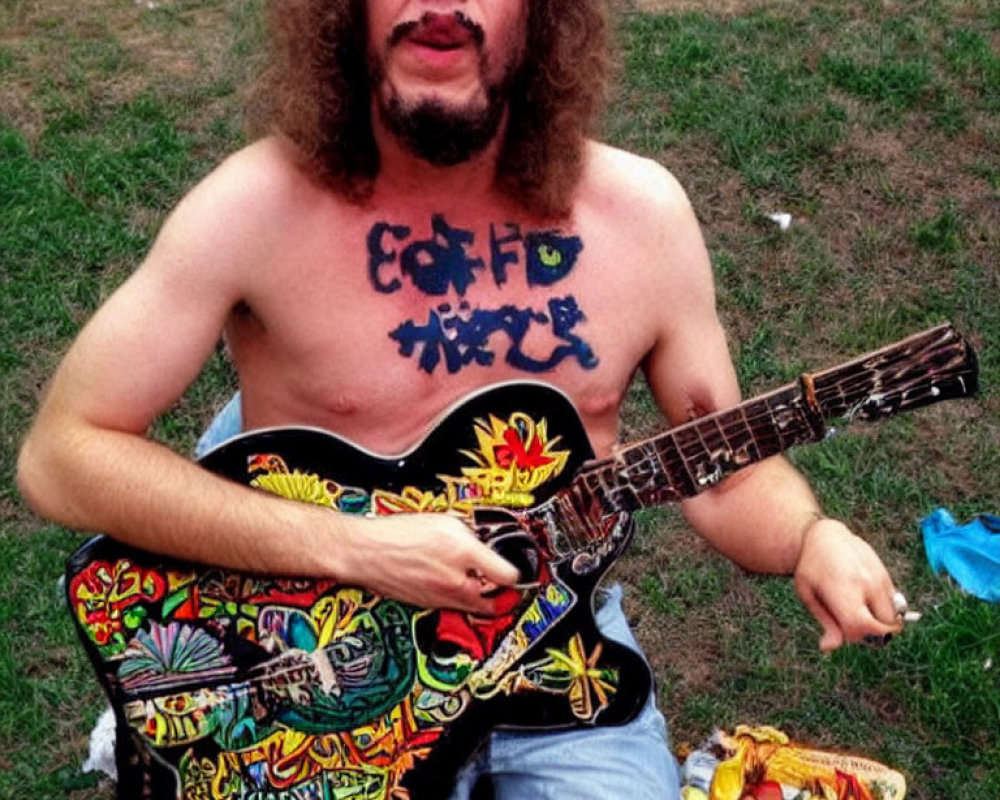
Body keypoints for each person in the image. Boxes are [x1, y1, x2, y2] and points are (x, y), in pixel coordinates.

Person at [17, 2, 905, 798]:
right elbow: (63, 454)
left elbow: (720, 469)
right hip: (314, 664)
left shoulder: (641, 220)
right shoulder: (258, 210)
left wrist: (808, 536)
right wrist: (358, 550)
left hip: (556, 653)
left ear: (545, 15)